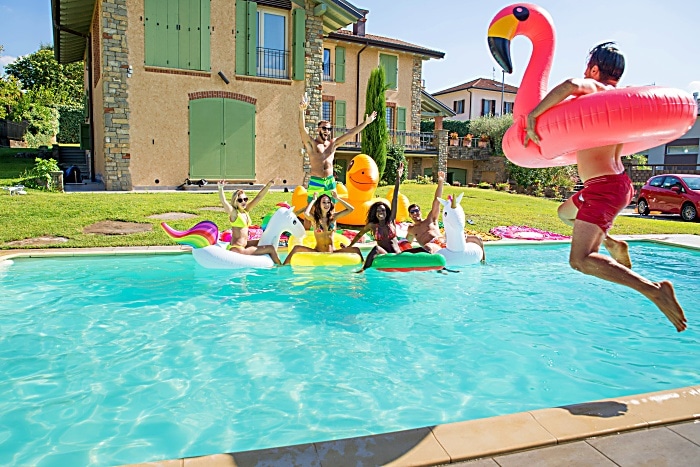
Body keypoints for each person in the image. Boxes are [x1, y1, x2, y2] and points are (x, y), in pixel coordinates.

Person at [524, 42, 686, 332]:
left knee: (580, 260)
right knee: (565, 213)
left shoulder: (595, 90)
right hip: (615, 182)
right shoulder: (621, 100)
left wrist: (534, 115)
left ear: (595, 69)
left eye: (588, 67)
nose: (585, 72)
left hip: (604, 188)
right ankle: (612, 243)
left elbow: (570, 84)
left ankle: (654, 291)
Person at [348, 162, 425, 271]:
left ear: (386, 212)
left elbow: (395, 198)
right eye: (378, 210)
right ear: (375, 213)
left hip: (398, 255)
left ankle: (441, 267)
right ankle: (362, 270)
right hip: (385, 255)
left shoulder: (391, 221)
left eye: (383, 210)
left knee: (422, 249)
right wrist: (350, 245)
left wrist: (398, 177)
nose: (381, 212)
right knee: (375, 248)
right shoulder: (372, 226)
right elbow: (359, 235)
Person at [299, 93, 377, 200]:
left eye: (329, 129)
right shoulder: (312, 144)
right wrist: (301, 111)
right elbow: (302, 130)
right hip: (316, 181)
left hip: (330, 182)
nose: (327, 131)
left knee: (331, 210)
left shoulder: (333, 144)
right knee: (313, 210)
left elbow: (350, 133)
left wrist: (365, 123)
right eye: (324, 128)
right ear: (318, 129)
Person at [405, 170, 486, 261]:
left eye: (417, 210)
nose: (415, 213)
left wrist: (440, 182)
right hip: (433, 247)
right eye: (412, 212)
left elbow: (436, 202)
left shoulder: (430, 219)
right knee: (428, 247)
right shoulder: (411, 229)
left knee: (478, 239)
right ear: (409, 215)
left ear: (420, 211)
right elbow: (407, 242)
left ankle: (483, 263)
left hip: (445, 240)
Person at [282, 190, 363, 265]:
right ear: (319, 205)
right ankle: (283, 267)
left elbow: (351, 209)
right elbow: (306, 213)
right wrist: (313, 200)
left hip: (332, 251)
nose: (326, 204)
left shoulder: (333, 217)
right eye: (324, 202)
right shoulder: (315, 219)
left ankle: (364, 267)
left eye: (328, 202)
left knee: (357, 250)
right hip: (317, 251)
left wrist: (337, 198)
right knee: (296, 248)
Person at [217, 179, 282, 265]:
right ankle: (280, 267)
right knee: (271, 249)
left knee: (264, 240)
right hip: (238, 248)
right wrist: (220, 188)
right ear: (235, 202)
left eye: (245, 199)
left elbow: (258, 197)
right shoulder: (235, 214)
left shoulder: (246, 211)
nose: (243, 202)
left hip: (245, 244)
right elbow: (224, 202)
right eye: (240, 200)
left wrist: (268, 186)